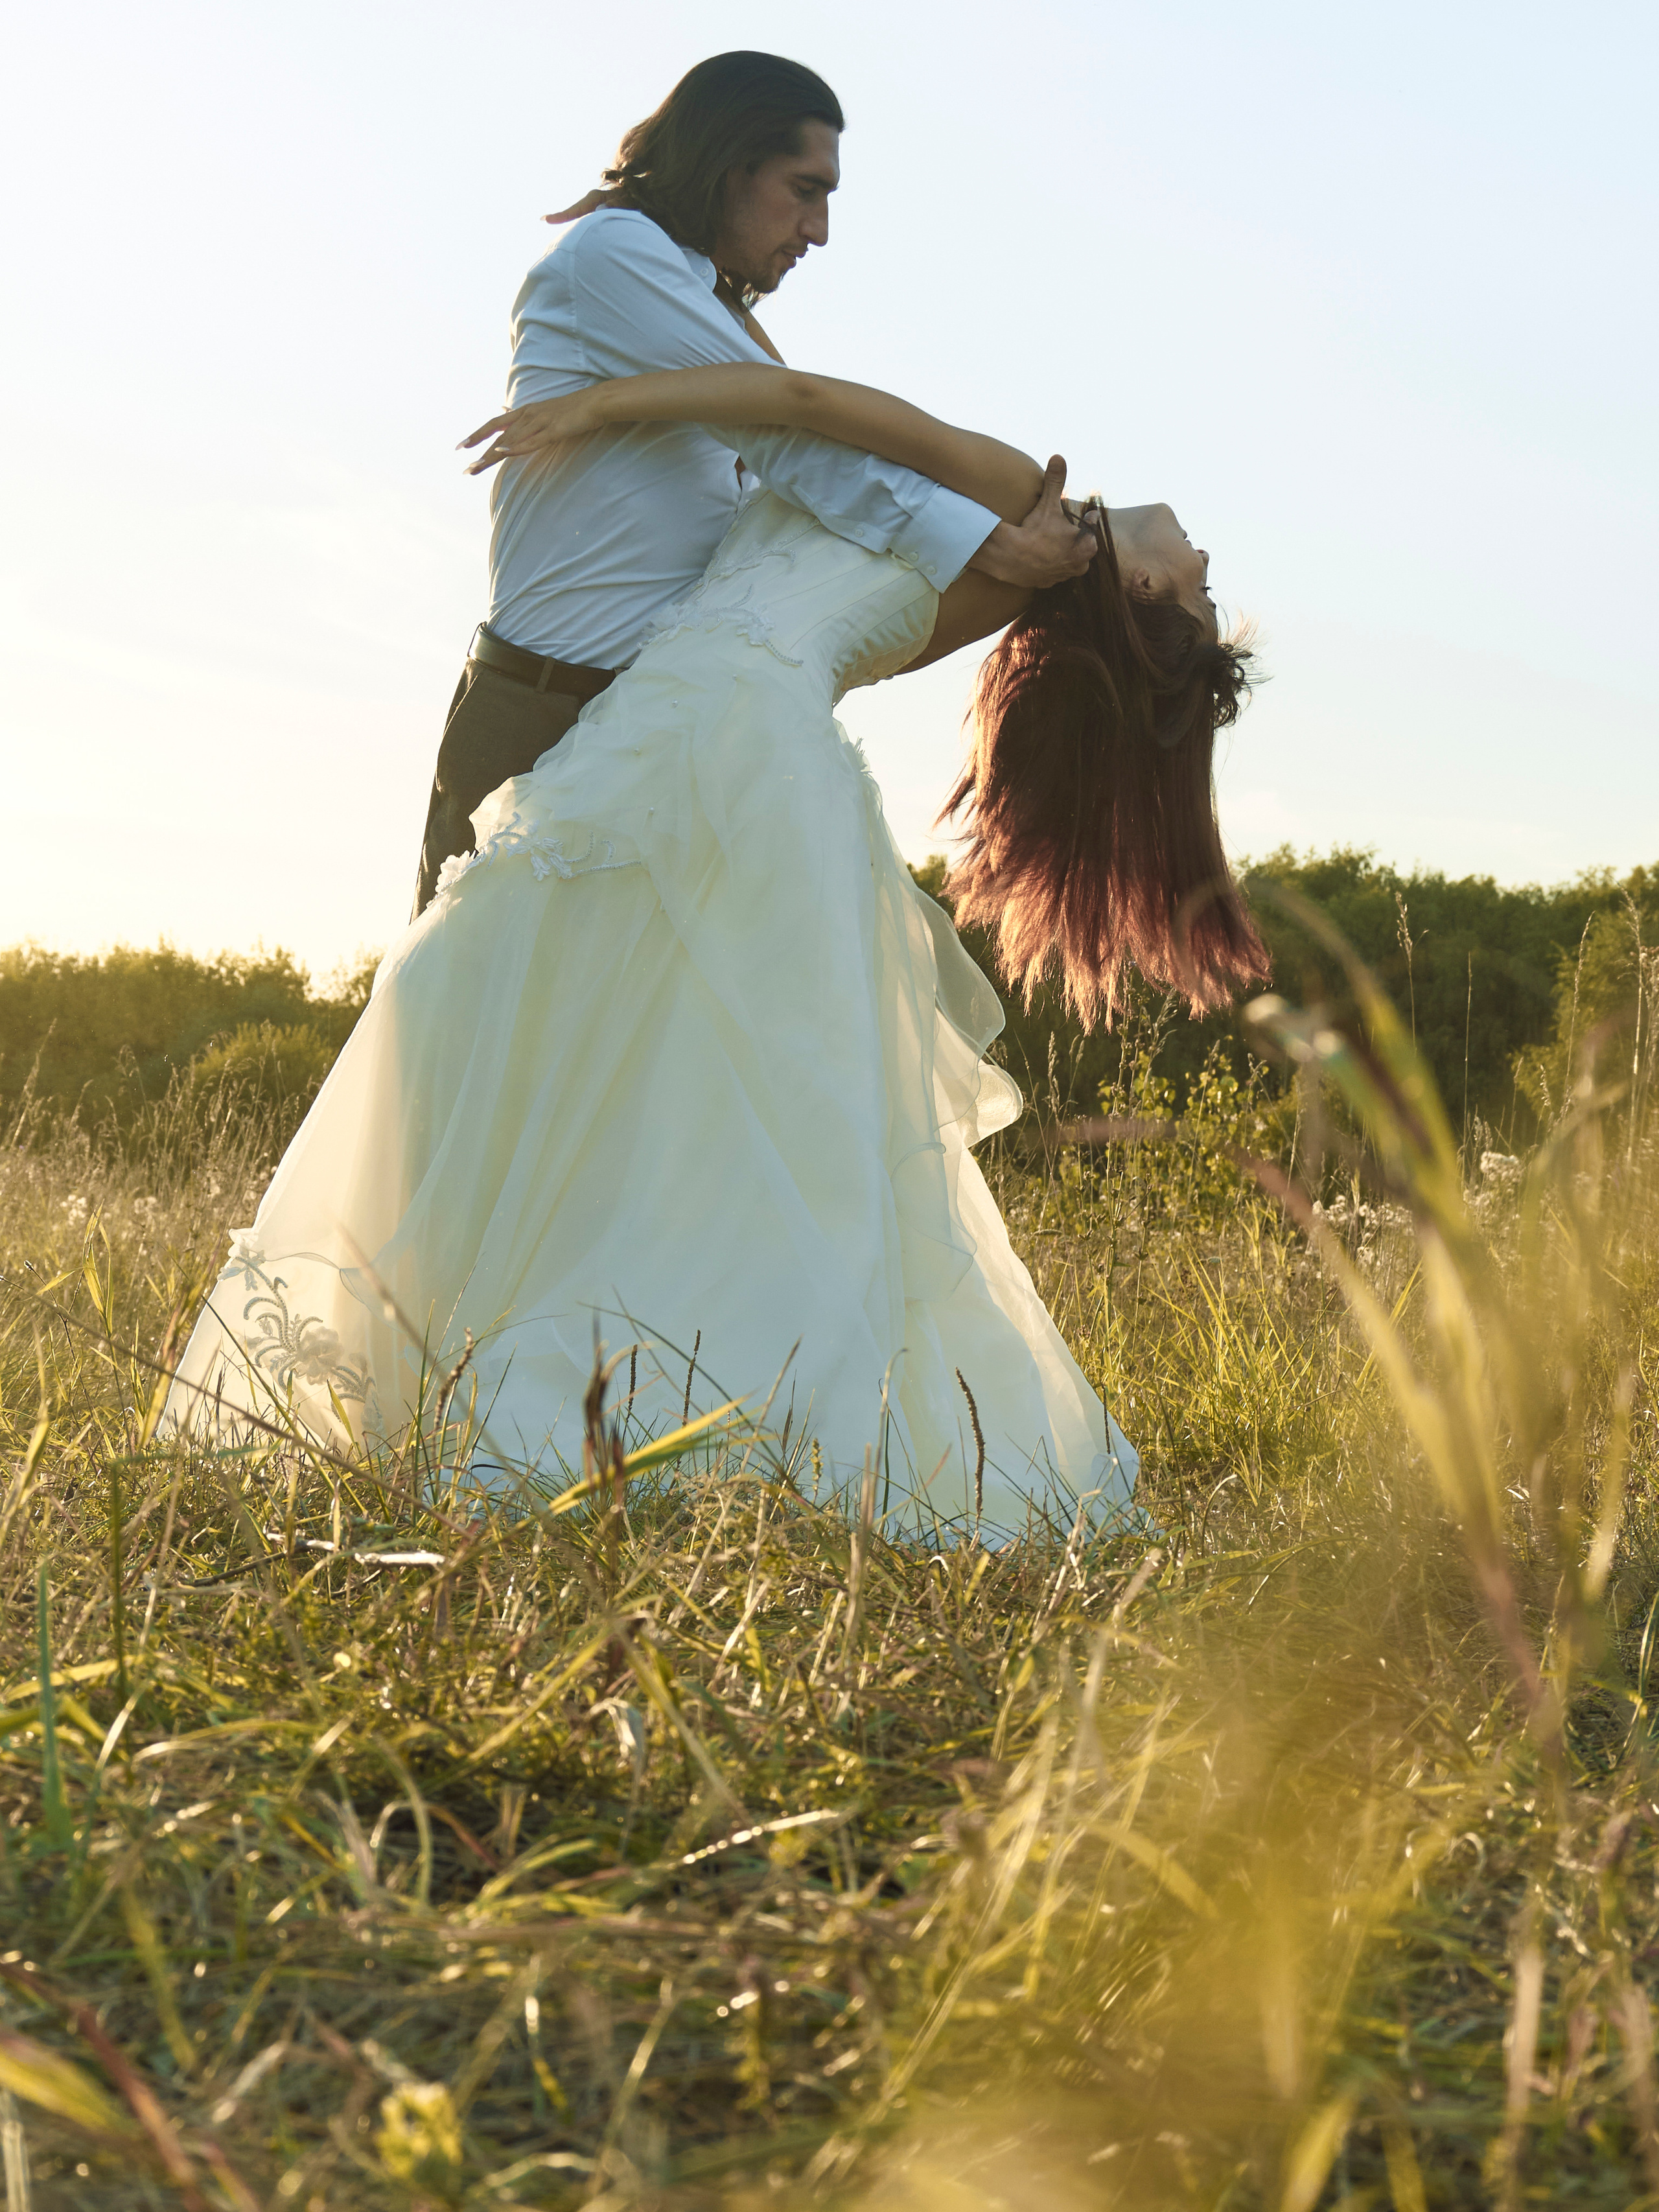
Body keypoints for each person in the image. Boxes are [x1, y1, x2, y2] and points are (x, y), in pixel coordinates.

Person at [165, 355, 1266, 1544]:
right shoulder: (1009, 564)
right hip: (717, 740)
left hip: (715, 739)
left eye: (1198, 591)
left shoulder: (1011, 495)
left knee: (574, 1041)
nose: (1205, 565)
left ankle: (657, 1402)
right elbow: (853, 626)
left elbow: (812, 410)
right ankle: (649, 1394)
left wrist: (596, 403)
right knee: (671, 1084)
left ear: (1140, 584)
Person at [410, 50, 1095, 918]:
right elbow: (795, 438)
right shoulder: (616, 255)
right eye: (805, 190)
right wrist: (991, 543)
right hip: (540, 722)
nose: (819, 230)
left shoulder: (694, 293)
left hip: (651, 731)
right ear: (729, 163)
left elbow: (799, 440)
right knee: (476, 1042)